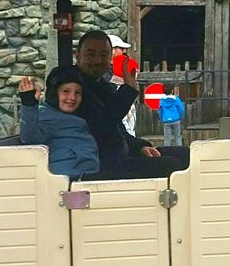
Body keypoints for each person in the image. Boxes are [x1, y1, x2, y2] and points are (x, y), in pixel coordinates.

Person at [49, 30, 188, 178]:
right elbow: (98, 124)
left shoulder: (104, 87)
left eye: (103, 55)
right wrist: (127, 91)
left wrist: (140, 147)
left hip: (118, 156)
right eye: (91, 54)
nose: (97, 60)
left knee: (186, 154)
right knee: (171, 166)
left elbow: (118, 130)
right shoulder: (67, 82)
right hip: (94, 164)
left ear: (110, 57)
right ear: (78, 55)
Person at [17, 68, 99, 179]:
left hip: (86, 177)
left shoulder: (77, 119)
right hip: (65, 181)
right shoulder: (47, 115)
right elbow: (30, 138)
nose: (72, 98)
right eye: (65, 91)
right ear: (54, 94)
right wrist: (29, 104)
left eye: (78, 92)